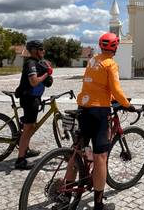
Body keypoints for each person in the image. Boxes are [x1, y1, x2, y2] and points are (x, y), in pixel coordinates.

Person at [63, 32, 134, 210]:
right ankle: (98, 203)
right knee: (100, 156)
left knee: (77, 150)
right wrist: (127, 105)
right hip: (99, 111)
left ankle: (66, 193)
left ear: (101, 46)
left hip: (83, 108)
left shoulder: (93, 60)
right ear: (115, 47)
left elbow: (95, 84)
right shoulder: (110, 64)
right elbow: (116, 90)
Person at [14, 40, 53, 170]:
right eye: (41, 49)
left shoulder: (36, 63)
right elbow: (34, 82)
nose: (43, 51)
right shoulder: (31, 63)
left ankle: (26, 149)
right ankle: (20, 160)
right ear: (35, 51)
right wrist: (47, 73)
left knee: (30, 127)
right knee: (28, 129)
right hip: (29, 99)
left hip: (33, 98)